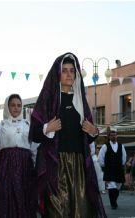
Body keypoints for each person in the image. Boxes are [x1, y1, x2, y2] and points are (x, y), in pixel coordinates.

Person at [29, 52, 107, 218]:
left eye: (72, 70)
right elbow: (34, 134)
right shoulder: (48, 100)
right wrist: (46, 128)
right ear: (57, 74)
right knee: (56, 211)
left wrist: (94, 132)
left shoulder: (80, 100)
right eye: (64, 70)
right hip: (54, 164)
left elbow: (89, 134)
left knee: (81, 211)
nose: (69, 74)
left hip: (79, 165)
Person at [0, 94, 37, 218]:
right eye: (13, 105)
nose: (16, 108)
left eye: (19, 105)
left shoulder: (27, 126)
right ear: (7, 107)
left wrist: (36, 165)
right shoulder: (1, 126)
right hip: (6, 167)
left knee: (24, 197)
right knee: (6, 197)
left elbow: (34, 149)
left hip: (25, 167)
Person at [98, 130, 127, 210]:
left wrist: (122, 165)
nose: (113, 136)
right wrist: (104, 167)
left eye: (114, 135)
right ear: (109, 136)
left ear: (116, 136)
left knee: (117, 187)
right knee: (111, 186)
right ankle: (113, 203)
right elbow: (101, 158)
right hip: (109, 169)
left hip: (118, 169)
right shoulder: (105, 146)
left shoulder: (121, 146)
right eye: (112, 135)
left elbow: (124, 157)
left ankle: (114, 200)